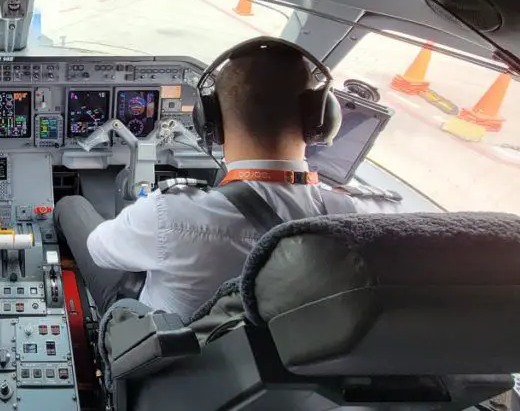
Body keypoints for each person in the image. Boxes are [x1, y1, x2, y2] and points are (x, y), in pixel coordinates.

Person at [54, 39, 400, 320]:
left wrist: (140, 221)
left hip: (173, 354)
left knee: (72, 206)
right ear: (323, 120)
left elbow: (100, 250)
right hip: (280, 372)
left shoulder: (170, 215)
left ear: (211, 121)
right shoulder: (373, 216)